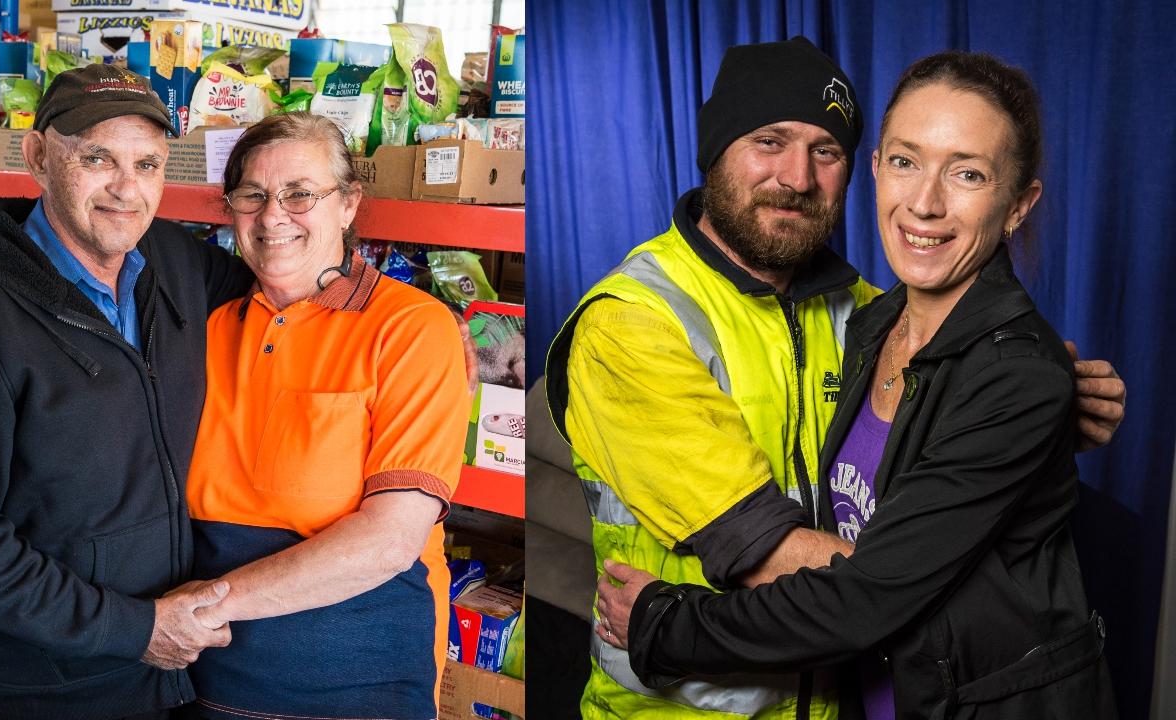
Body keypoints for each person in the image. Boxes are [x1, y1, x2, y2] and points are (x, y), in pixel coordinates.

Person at [543, 37, 1125, 720]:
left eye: (825, 151)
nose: (796, 176)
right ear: (715, 150)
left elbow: (981, 373)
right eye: (769, 140)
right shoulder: (634, 324)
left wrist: (1040, 403)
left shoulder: (869, 311)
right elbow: (763, 550)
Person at [0, 65, 253, 719]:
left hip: (170, 682)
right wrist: (135, 630)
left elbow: (278, 283)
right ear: (38, 157)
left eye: (147, 165)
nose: (127, 189)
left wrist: (401, 319)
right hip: (44, 691)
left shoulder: (172, 262)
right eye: (98, 159)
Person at [179, 113, 471, 720]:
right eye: (252, 195)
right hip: (201, 674)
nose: (273, 214)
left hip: (352, 680)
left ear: (347, 205)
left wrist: (208, 604)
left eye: (300, 194)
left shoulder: (411, 328)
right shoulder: (208, 327)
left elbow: (389, 542)